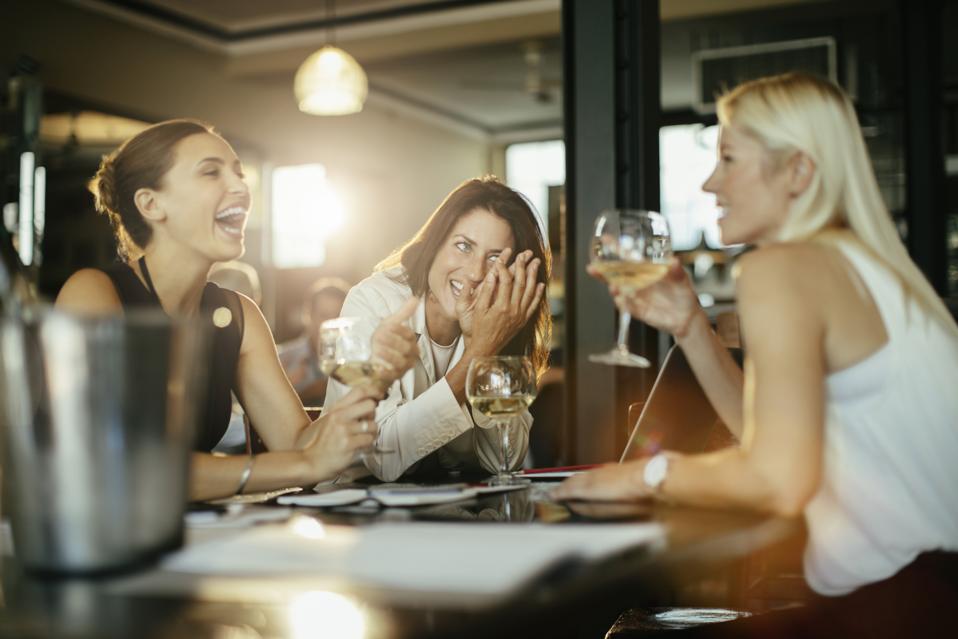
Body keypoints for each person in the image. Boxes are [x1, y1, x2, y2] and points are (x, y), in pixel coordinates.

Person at [555, 73, 958, 637]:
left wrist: (645, 475)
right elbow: (768, 440)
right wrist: (692, 326)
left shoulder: (782, 267)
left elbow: (778, 480)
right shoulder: (867, 267)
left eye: (729, 159)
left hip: (892, 609)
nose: (709, 183)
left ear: (798, 171)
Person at [55, 119, 419, 501]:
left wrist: (373, 379)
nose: (241, 187)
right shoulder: (95, 293)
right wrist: (304, 465)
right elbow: (113, 463)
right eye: (211, 172)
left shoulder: (238, 315)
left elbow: (296, 442)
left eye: (239, 173)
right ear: (151, 204)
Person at [323, 176, 550, 482]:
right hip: (352, 505)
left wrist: (488, 345)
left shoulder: (500, 317)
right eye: (463, 246)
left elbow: (505, 460)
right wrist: (478, 354)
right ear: (435, 243)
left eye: (495, 257)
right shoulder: (372, 301)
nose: (474, 272)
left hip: (448, 508)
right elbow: (381, 454)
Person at [278, 277, 351, 406]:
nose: (332, 324)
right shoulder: (280, 360)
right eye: (324, 315)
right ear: (307, 316)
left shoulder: (359, 360)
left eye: (338, 316)